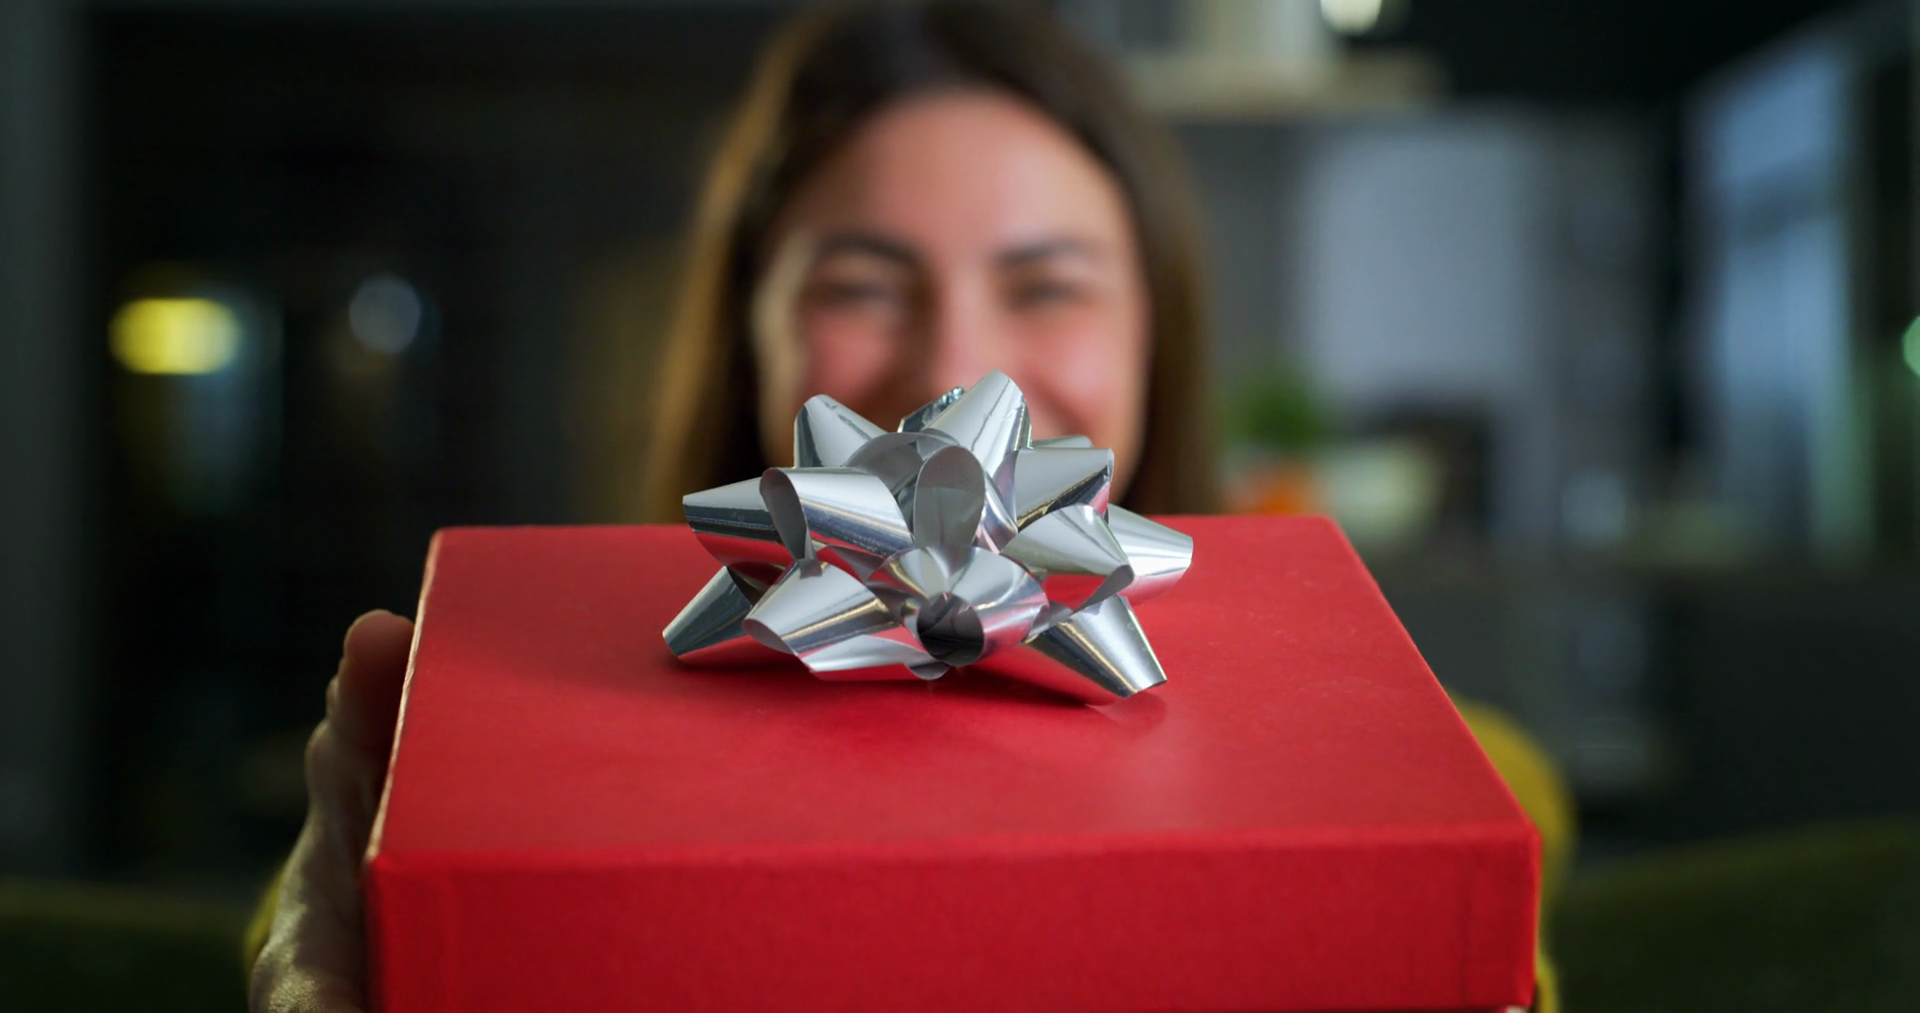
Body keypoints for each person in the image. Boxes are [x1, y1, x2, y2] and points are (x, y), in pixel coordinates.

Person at [246, 2, 1570, 1010]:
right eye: (863, 287)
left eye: (1047, 285)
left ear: (1157, 335)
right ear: (749, 337)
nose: (957, 372)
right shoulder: (442, 798)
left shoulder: (1461, 778)